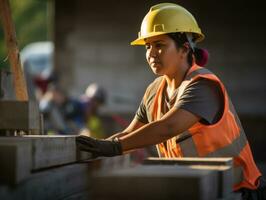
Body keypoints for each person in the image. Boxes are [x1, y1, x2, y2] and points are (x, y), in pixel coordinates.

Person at [76, 3, 264, 199]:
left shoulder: (203, 86)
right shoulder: (154, 91)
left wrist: (114, 147)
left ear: (184, 49)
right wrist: (99, 147)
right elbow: (129, 134)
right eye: (148, 46)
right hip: (193, 189)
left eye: (160, 45)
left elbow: (168, 126)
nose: (151, 53)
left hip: (237, 190)